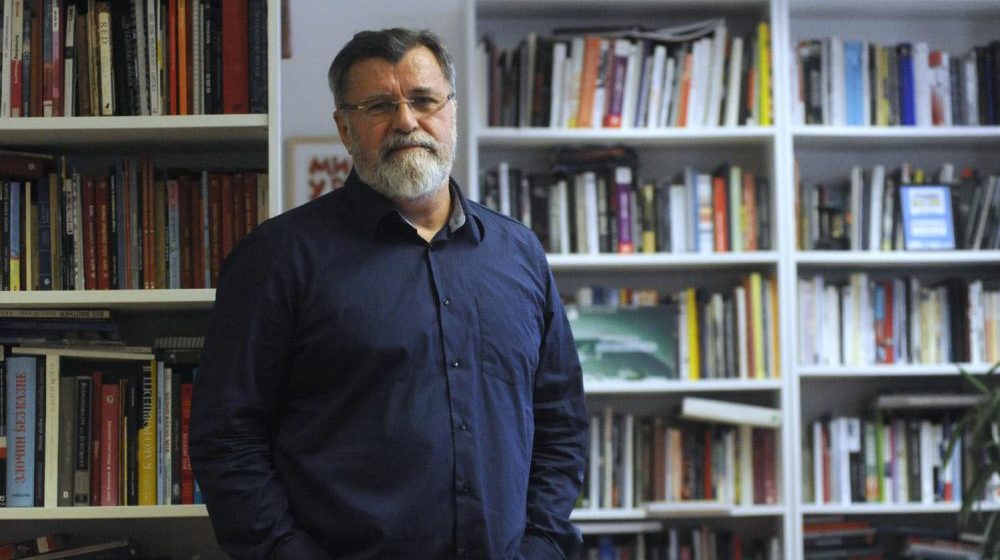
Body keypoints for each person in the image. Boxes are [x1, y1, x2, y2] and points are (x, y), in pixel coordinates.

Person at [189, 28, 589, 560]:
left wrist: (542, 543)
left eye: (424, 100)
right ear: (344, 127)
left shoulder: (520, 255)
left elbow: (560, 420)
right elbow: (227, 437)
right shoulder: (276, 259)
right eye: (379, 106)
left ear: (451, 111)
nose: (406, 121)